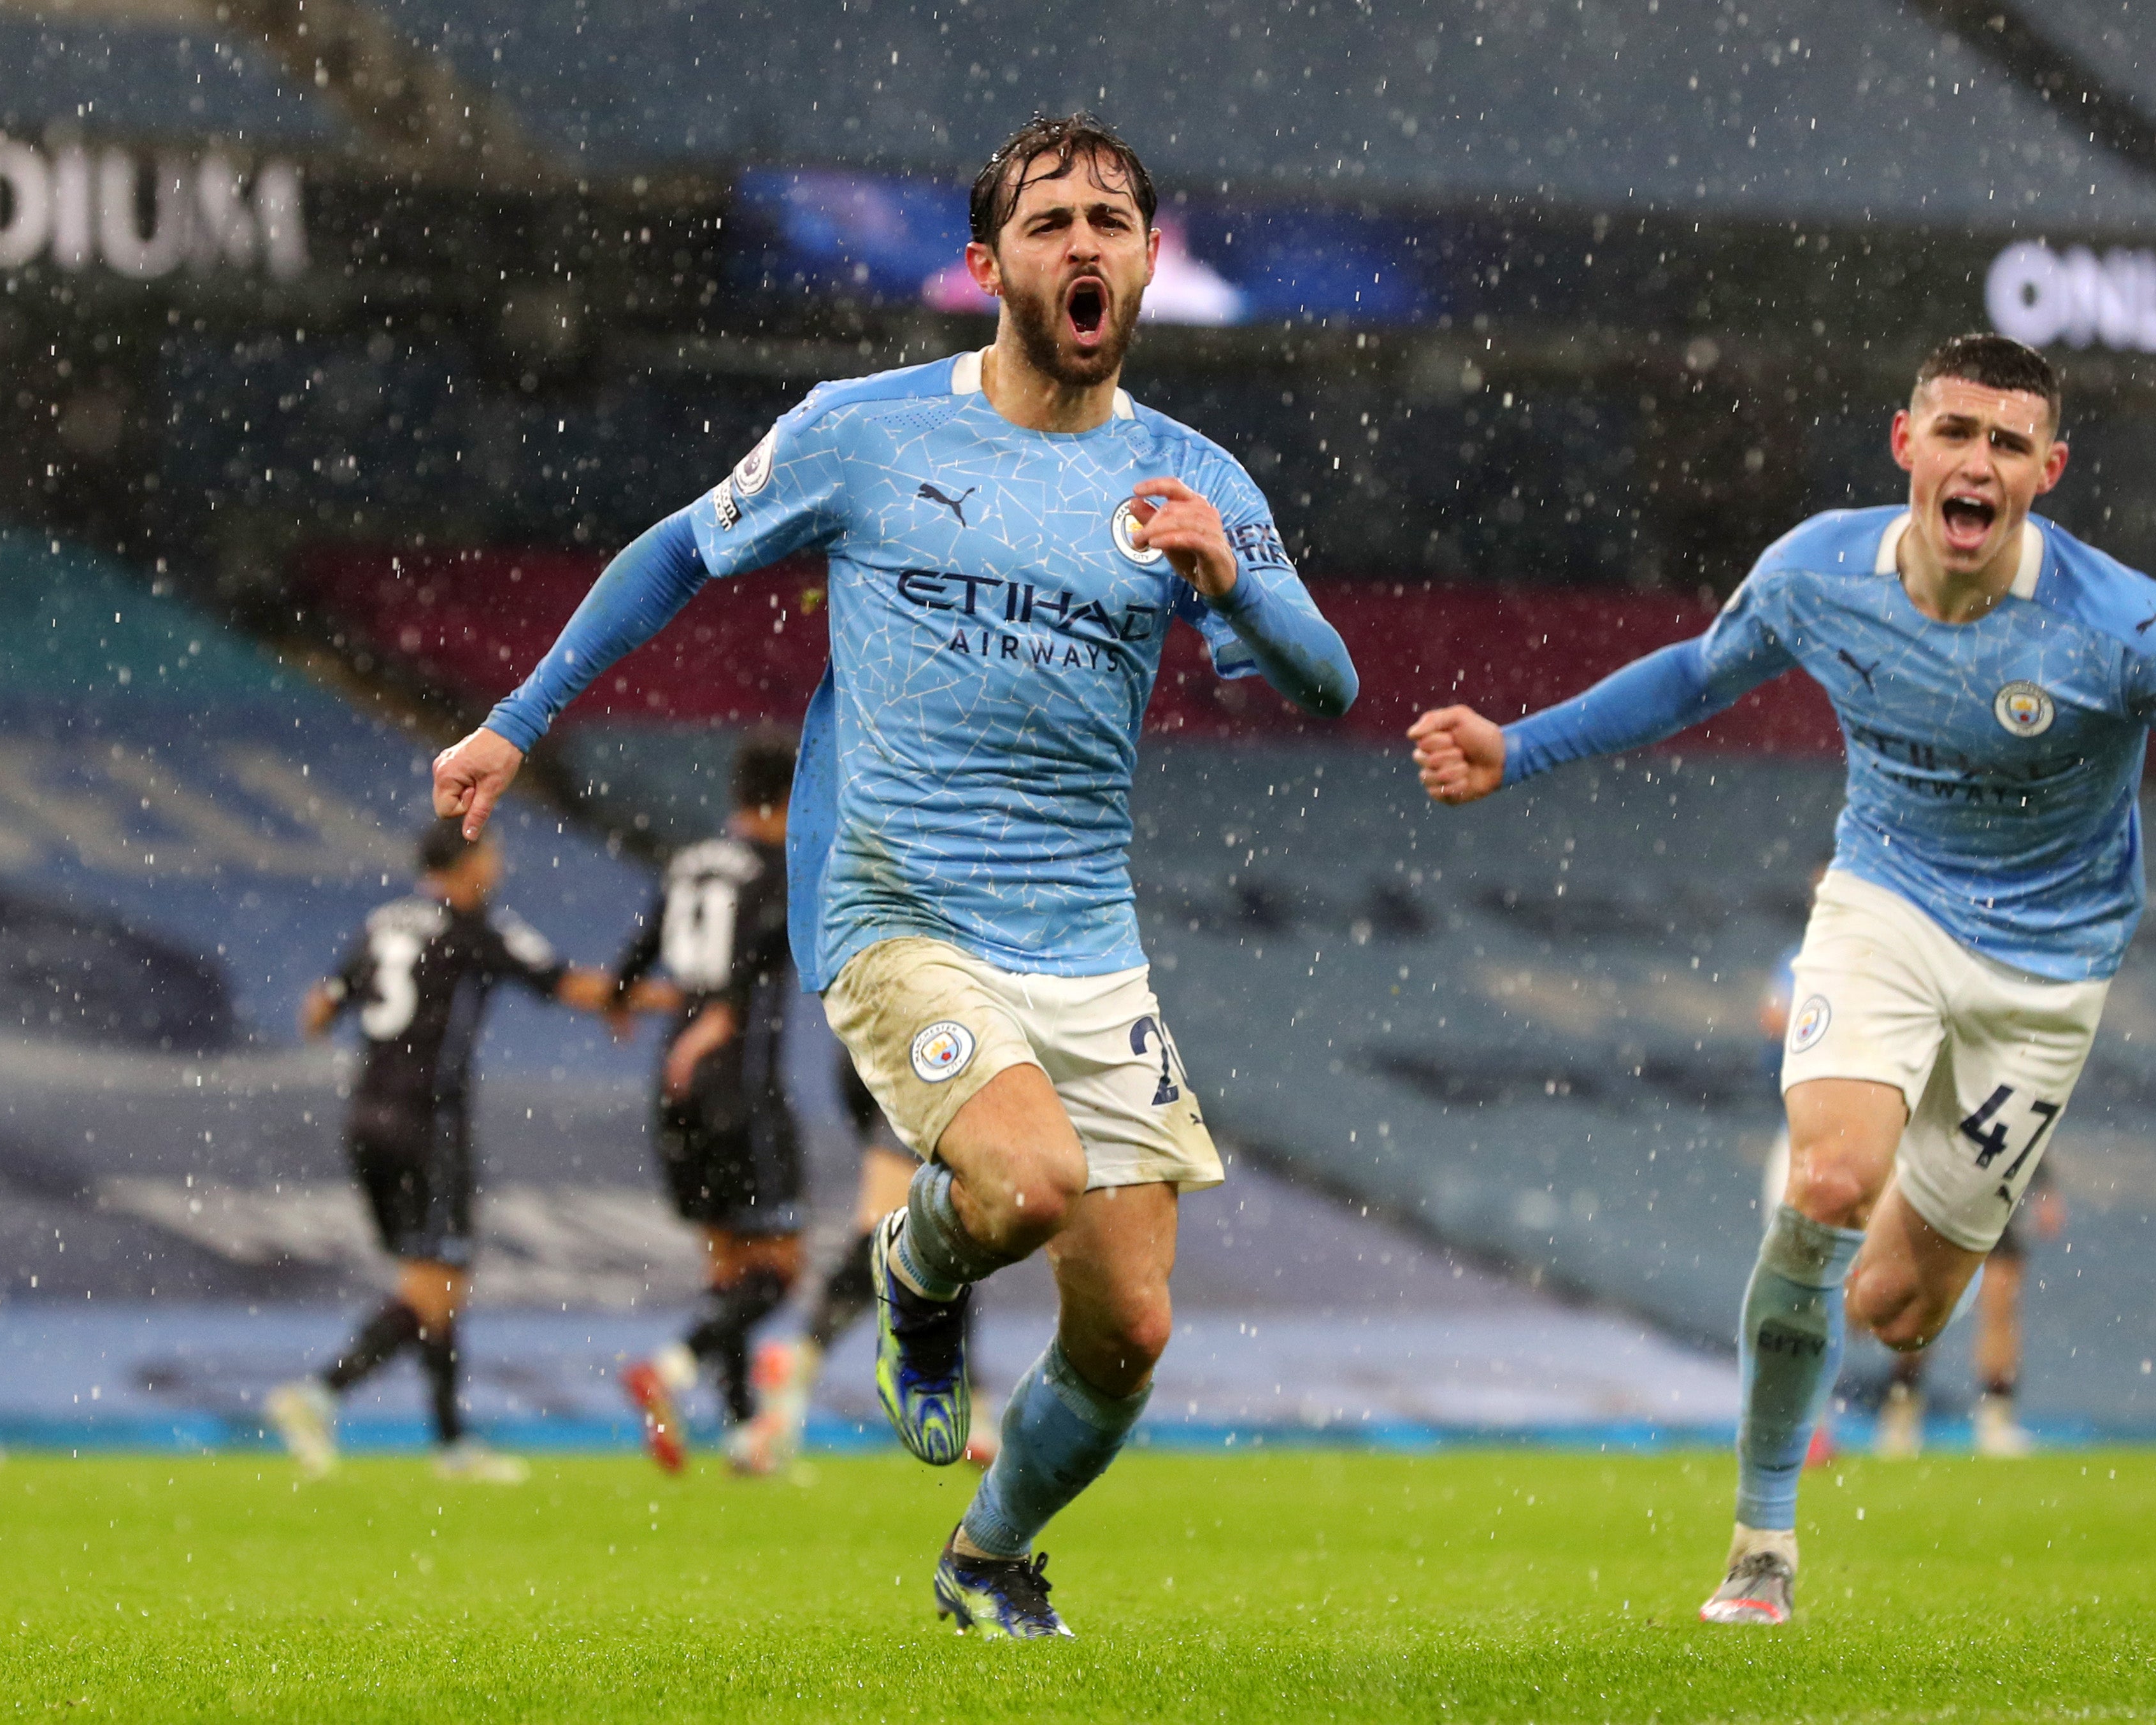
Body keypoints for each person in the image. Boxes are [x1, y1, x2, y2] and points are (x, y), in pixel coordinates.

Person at [425, 113, 1357, 1636]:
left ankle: (987, 1555)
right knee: (1028, 1179)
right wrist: (518, 719)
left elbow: (1323, 680)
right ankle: (916, 1274)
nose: (1083, 241)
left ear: (1143, 259)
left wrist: (1232, 579)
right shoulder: (860, 430)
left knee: (1128, 1322)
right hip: (895, 908)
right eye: (1050, 219)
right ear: (988, 264)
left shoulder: (1193, 478)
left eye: (1110, 219)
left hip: (1082, 939)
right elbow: (676, 549)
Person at [1408, 333, 2156, 1627]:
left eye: (2008, 443)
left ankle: (1838, 1305)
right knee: (1826, 1182)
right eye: (1956, 432)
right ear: (1907, 444)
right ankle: (1761, 1544)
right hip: (1884, 907)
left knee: (1896, 1310)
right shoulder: (1819, 572)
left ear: (2047, 470)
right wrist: (1519, 746)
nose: (1977, 462)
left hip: (2048, 976)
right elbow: (1693, 677)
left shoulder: (2122, 624)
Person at [267, 819, 617, 1480]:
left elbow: (322, 1004)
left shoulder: (385, 921)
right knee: (437, 1285)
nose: (501, 863)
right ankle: (318, 1393)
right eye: (493, 851)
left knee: (429, 1279)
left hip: (368, 1117)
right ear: (468, 862)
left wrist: (329, 1018)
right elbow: (568, 984)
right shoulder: (474, 926)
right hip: (428, 1122)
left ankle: (451, 1441)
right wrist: (669, 999)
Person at [611, 731, 807, 1475]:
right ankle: (673, 1366)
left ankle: (739, 1432)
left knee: (728, 1269)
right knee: (779, 1269)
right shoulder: (778, 867)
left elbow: (644, 942)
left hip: (676, 1082)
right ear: (789, 798)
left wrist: (625, 994)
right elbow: (760, 944)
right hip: (740, 1082)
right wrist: (728, 1006)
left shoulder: (690, 861)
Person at [743, 1050, 998, 1471]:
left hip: (914, 1053)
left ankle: (798, 1363)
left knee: (943, 1235)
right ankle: (799, 1363)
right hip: (924, 1050)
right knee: (910, 1230)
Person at [1873, 1163, 2064, 1460]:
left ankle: (1996, 1421)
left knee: (2001, 1305)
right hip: (1939, 1188)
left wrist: (2045, 1186)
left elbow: (2030, 1119)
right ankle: (1900, 1415)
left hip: (1993, 1191)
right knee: (1919, 1306)